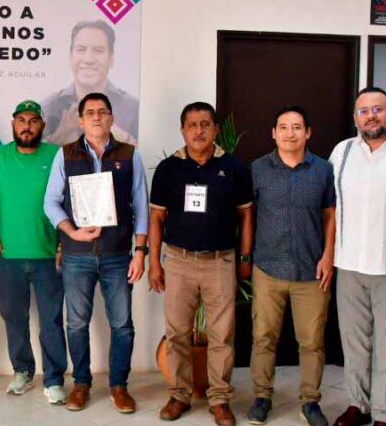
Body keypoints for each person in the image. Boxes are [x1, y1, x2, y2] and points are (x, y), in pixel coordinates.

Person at [148, 102, 253, 426]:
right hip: (179, 262)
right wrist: (155, 263)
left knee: (222, 335)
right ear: (182, 130)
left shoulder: (233, 167)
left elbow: (246, 215)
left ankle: (219, 399)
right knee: (177, 332)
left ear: (215, 130)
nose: (198, 130)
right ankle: (179, 395)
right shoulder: (168, 169)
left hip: (220, 262)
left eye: (205, 124)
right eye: (192, 125)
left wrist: (244, 257)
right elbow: (157, 218)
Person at [43, 92, 148, 413]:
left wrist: (140, 252)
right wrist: (71, 231)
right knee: (76, 324)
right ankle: (81, 384)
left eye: (103, 112)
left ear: (112, 118)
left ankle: (119, 386)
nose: (97, 117)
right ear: (80, 120)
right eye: (90, 112)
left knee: (122, 325)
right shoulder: (65, 155)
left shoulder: (130, 154)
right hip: (76, 255)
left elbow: (140, 206)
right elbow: (50, 202)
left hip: (118, 254)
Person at [246, 106, 335, 426]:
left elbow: (330, 215)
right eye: (283, 127)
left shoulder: (323, 170)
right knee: (263, 337)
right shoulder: (258, 169)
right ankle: (262, 396)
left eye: (297, 127)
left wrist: (328, 256)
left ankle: (310, 402)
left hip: (311, 271)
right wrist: (246, 258)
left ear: (308, 133)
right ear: (273, 133)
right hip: (267, 268)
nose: (289, 133)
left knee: (312, 342)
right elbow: (247, 215)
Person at [0, 100, 67, 404]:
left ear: (42, 125)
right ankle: (22, 371)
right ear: (13, 124)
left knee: (51, 320)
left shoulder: (56, 156)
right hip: (8, 255)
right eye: (21, 120)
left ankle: (54, 380)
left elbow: (71, 200)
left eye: (33, 121)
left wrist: (63, 242)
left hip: (48, 255)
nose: (26, 126)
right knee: (13, 317)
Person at [329, 87, 386, 426]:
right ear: (355, 118)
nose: (371, 116)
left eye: (378, 109)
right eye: (364, 111)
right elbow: (331, 207)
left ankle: (383, 411)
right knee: (354, 341)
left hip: (385, 266)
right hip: (348, 262)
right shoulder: (343, 152)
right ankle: (358, 405)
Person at [42, 20, 139, 146]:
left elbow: (145, 155)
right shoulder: (49, 107)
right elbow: (30, 155)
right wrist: (57, 139)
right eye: (81, 49)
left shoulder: (133, 109)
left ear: (111, 58)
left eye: (98, 50)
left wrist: (124, 139)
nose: (88, 59)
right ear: (70, 56)